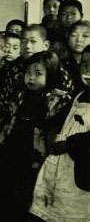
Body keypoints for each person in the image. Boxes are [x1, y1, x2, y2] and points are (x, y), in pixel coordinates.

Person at [0, 51, 73, 222]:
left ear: (52, 75)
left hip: (34, 167)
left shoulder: (58, 101)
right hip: (10, 159)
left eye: (38, 74)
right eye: (28, 73)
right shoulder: (21, 95)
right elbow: (10, 124)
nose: (31, 78)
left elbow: (51, 136)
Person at [30, 45, 90, 222]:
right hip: (60, 167)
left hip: (82, 169)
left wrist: (68, 144)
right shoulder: (80, 94)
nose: (88, 70)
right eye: (85, 64)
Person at [61, 20, 90, 96]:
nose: (79, 40)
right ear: (68, 37)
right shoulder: (61, 64)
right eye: (74, 35)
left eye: (85, 36)